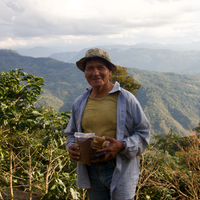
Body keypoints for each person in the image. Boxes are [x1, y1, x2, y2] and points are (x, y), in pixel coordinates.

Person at [64, 48, 150, 200]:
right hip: (91, 170)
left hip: (119, 168)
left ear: (110, 71)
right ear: (84, 73)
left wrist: (122, 145)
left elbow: (144, 134)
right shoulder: (79, 103)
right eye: (90, 68)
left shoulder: (126, 99)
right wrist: (71, 146)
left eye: (101, 68)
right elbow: (71, 134)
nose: (95, 72)